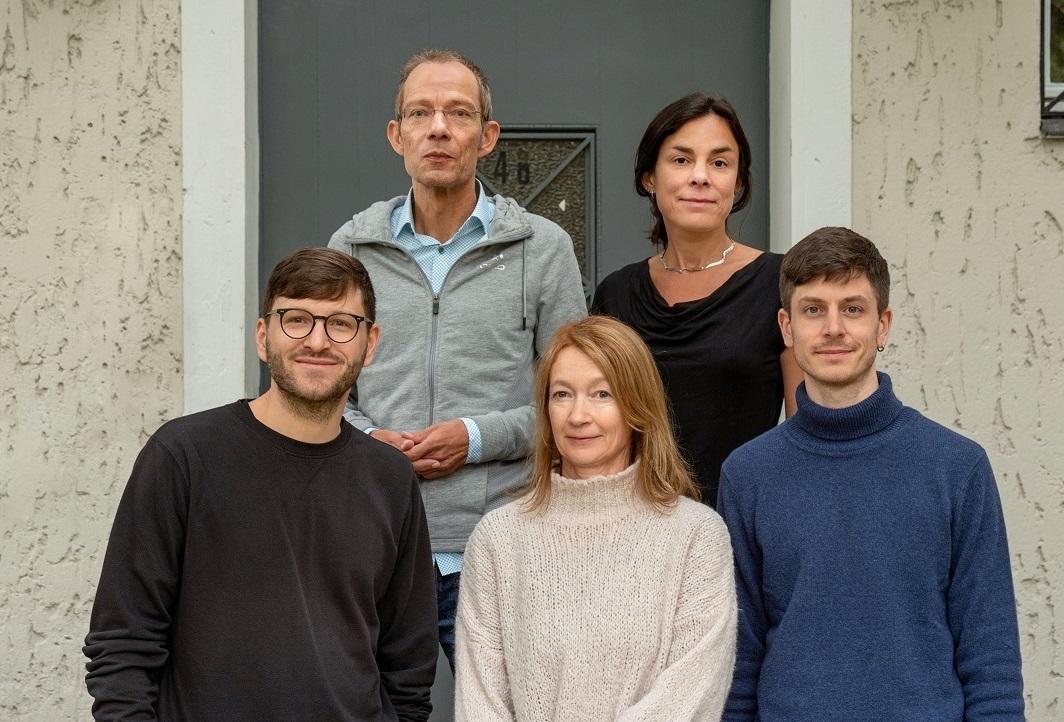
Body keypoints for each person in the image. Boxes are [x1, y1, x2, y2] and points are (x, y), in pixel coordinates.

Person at [84, 249, 438, 721]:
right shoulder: (184, 456)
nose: (317, 341)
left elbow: (408, 663)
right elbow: (124, 641)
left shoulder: (390, 478)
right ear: (262, 337)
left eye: (341, 323)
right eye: (296, 319)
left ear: (369, 343)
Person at [328, 49, 586, 669]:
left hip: (502, 545)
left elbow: (577, 399)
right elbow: (324, 388)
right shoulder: (351, 248)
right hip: (377, 546)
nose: (438, 128)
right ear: (397, 135)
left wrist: (473, 439)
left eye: (458, 113)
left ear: (487, 137)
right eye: (420, 113)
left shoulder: (543, 249)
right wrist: (369, 443)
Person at [717, 228, 1025, 721]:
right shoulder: (749, 475)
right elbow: (739, 660)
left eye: (853, 309)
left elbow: (990, 660)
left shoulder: (957, 467)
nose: (833, 327)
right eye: (813, 309)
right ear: (786, 326)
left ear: (883, 326)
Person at [454, 316, 737, 720]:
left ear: (637, 407)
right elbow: (480, 702)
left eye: (602, 394)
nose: (577, 415)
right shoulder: (498, 539)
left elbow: (690, 695)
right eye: (562, 394)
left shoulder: (696, 536)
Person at [592, 93, 802, 505]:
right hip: (632, 529)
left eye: (720, 163)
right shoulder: (615, 295)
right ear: (649, 177)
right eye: (681, 159)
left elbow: (803, 431)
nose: (701, 177)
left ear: (738, 183)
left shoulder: (781, 283)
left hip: (740, 526)